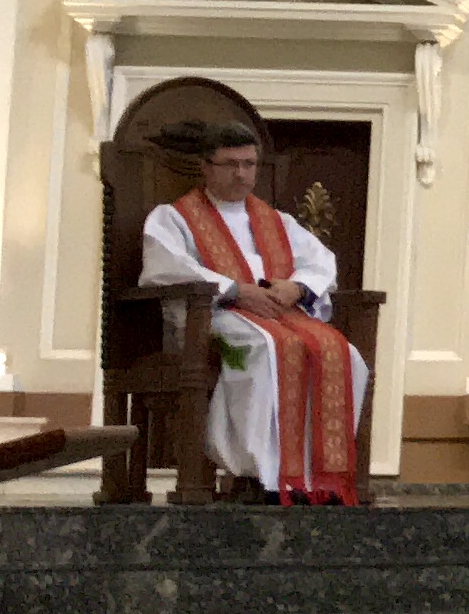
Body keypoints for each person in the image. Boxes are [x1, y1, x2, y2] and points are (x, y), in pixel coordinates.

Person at [138, 121, 369, 504]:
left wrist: (297, 287)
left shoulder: (277, 221)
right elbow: (166, 266)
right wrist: (234, 290)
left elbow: (320, 262)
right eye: (230, 164)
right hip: (212, 316)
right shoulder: (175, 218)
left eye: (249, 164)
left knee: (348, 356)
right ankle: (260, 474)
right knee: (262, 350)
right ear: (206, 167)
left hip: (281, 314)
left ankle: (320, 477)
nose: (241, 174)